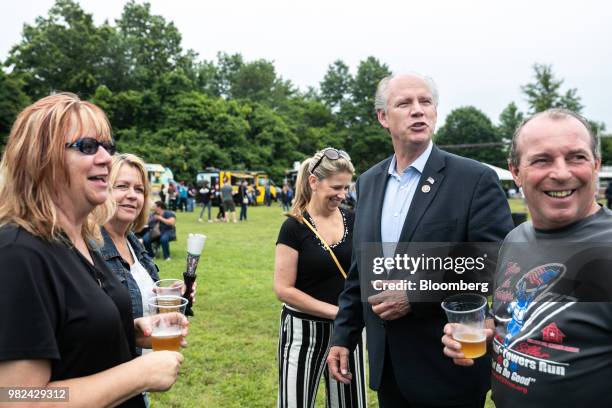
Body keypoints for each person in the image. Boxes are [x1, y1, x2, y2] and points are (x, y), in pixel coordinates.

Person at [326, 73, 514, 408]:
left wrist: (415, 293)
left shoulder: (474, 179)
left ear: (436, 112)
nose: (418, 110)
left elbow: (495, 262)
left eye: (425, 102)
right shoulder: (369, 182)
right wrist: (343, 335)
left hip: (448, 364)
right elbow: (361, 271)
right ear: (383, 117)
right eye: (405, 103)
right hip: (389, 367)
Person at [0, 93, 186, 407]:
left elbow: (70, 334)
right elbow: (18, 398)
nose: (106, 158)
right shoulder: (19, 254)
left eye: (107, 147)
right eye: (87, 147)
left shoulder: (83, 242)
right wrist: (138, 374)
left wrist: (132, 331)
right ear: (40, 159)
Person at [443, 109, 612, 407]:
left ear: (596, 165)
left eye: (577, 157)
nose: (561, 172)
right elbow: (509, 320)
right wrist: (487, 335)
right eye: (542, 160)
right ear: (516, 171)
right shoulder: (515, 238)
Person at [275, 147, 366, 408]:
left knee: (349, 404)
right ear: (314, 182)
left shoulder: (354, 220)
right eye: (336, 187)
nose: (343, 194)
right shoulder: (294, 226)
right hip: (303, 332)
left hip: (347, 332)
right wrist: (338, 312)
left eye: (346, 187)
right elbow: (283, 289)